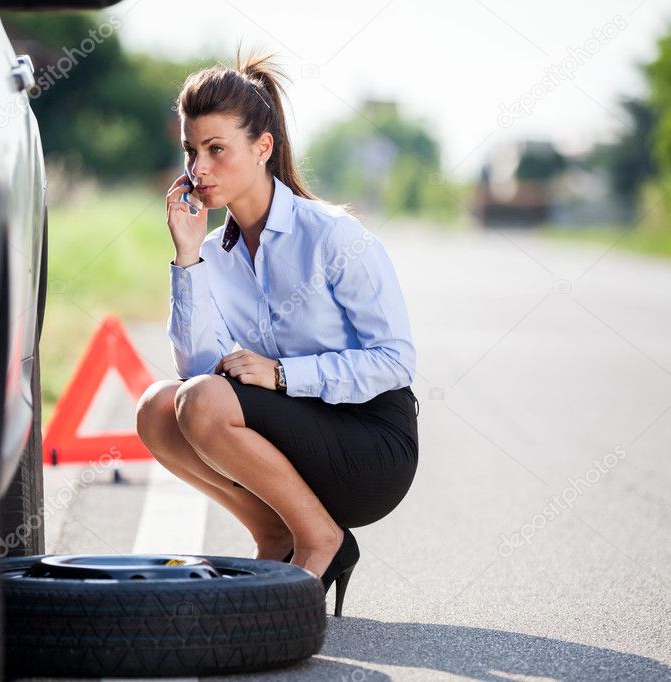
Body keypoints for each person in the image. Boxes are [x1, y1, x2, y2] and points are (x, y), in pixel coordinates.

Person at [134, 49, 419, 617]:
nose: (200, 169)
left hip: (370, 441)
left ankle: (322, 540)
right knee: (159, 410)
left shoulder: (333, 236)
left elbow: (395, 360)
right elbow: (197, 375)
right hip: (293, 434)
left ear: (263, 148)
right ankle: (278, 538)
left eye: (217, 150)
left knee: (202, 402)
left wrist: (283, 374)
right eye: (192, 151)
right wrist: (188, 256)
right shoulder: (214, 253)